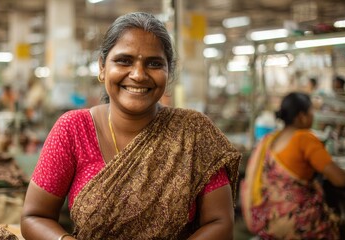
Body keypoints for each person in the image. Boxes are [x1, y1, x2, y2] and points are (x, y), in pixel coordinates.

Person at [21, 12, 241, 240]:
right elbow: (35, 217)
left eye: (154, 63)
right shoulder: (73, 129)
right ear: (102, 66)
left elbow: (220, 222)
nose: (138, 74)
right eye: (124, 60)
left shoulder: (194, 132)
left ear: (169, 72)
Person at [241, 92, 345, 239]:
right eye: (311, 111)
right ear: (301, 116)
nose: (313, 116)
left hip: (268, 219)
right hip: (295, 222)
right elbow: (340, 179)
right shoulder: (304, 138)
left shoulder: (269, 140)